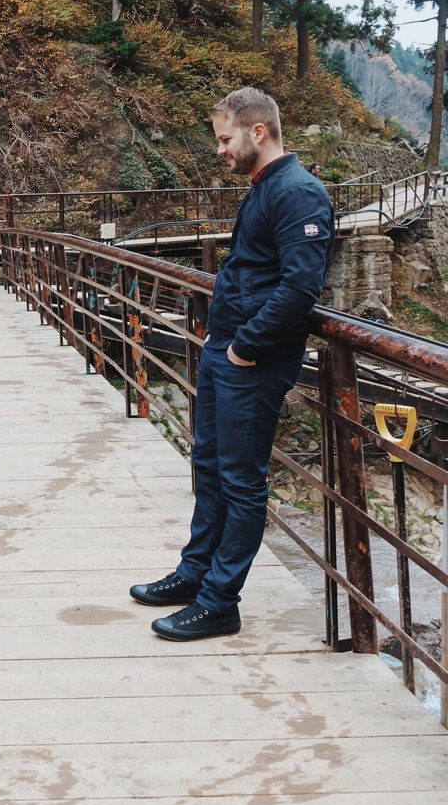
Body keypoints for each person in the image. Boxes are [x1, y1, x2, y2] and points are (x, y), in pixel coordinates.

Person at [130, 87, 334, 641]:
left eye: (225, 138)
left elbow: (299, 287)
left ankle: (220, 601)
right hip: (227, 349)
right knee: (210, 466)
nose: (220, 150)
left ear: (258, 132)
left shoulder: (299, 194)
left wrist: (245, 344)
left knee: (242, 481)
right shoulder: (265, 187)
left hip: (253, 359)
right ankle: (196, 574)